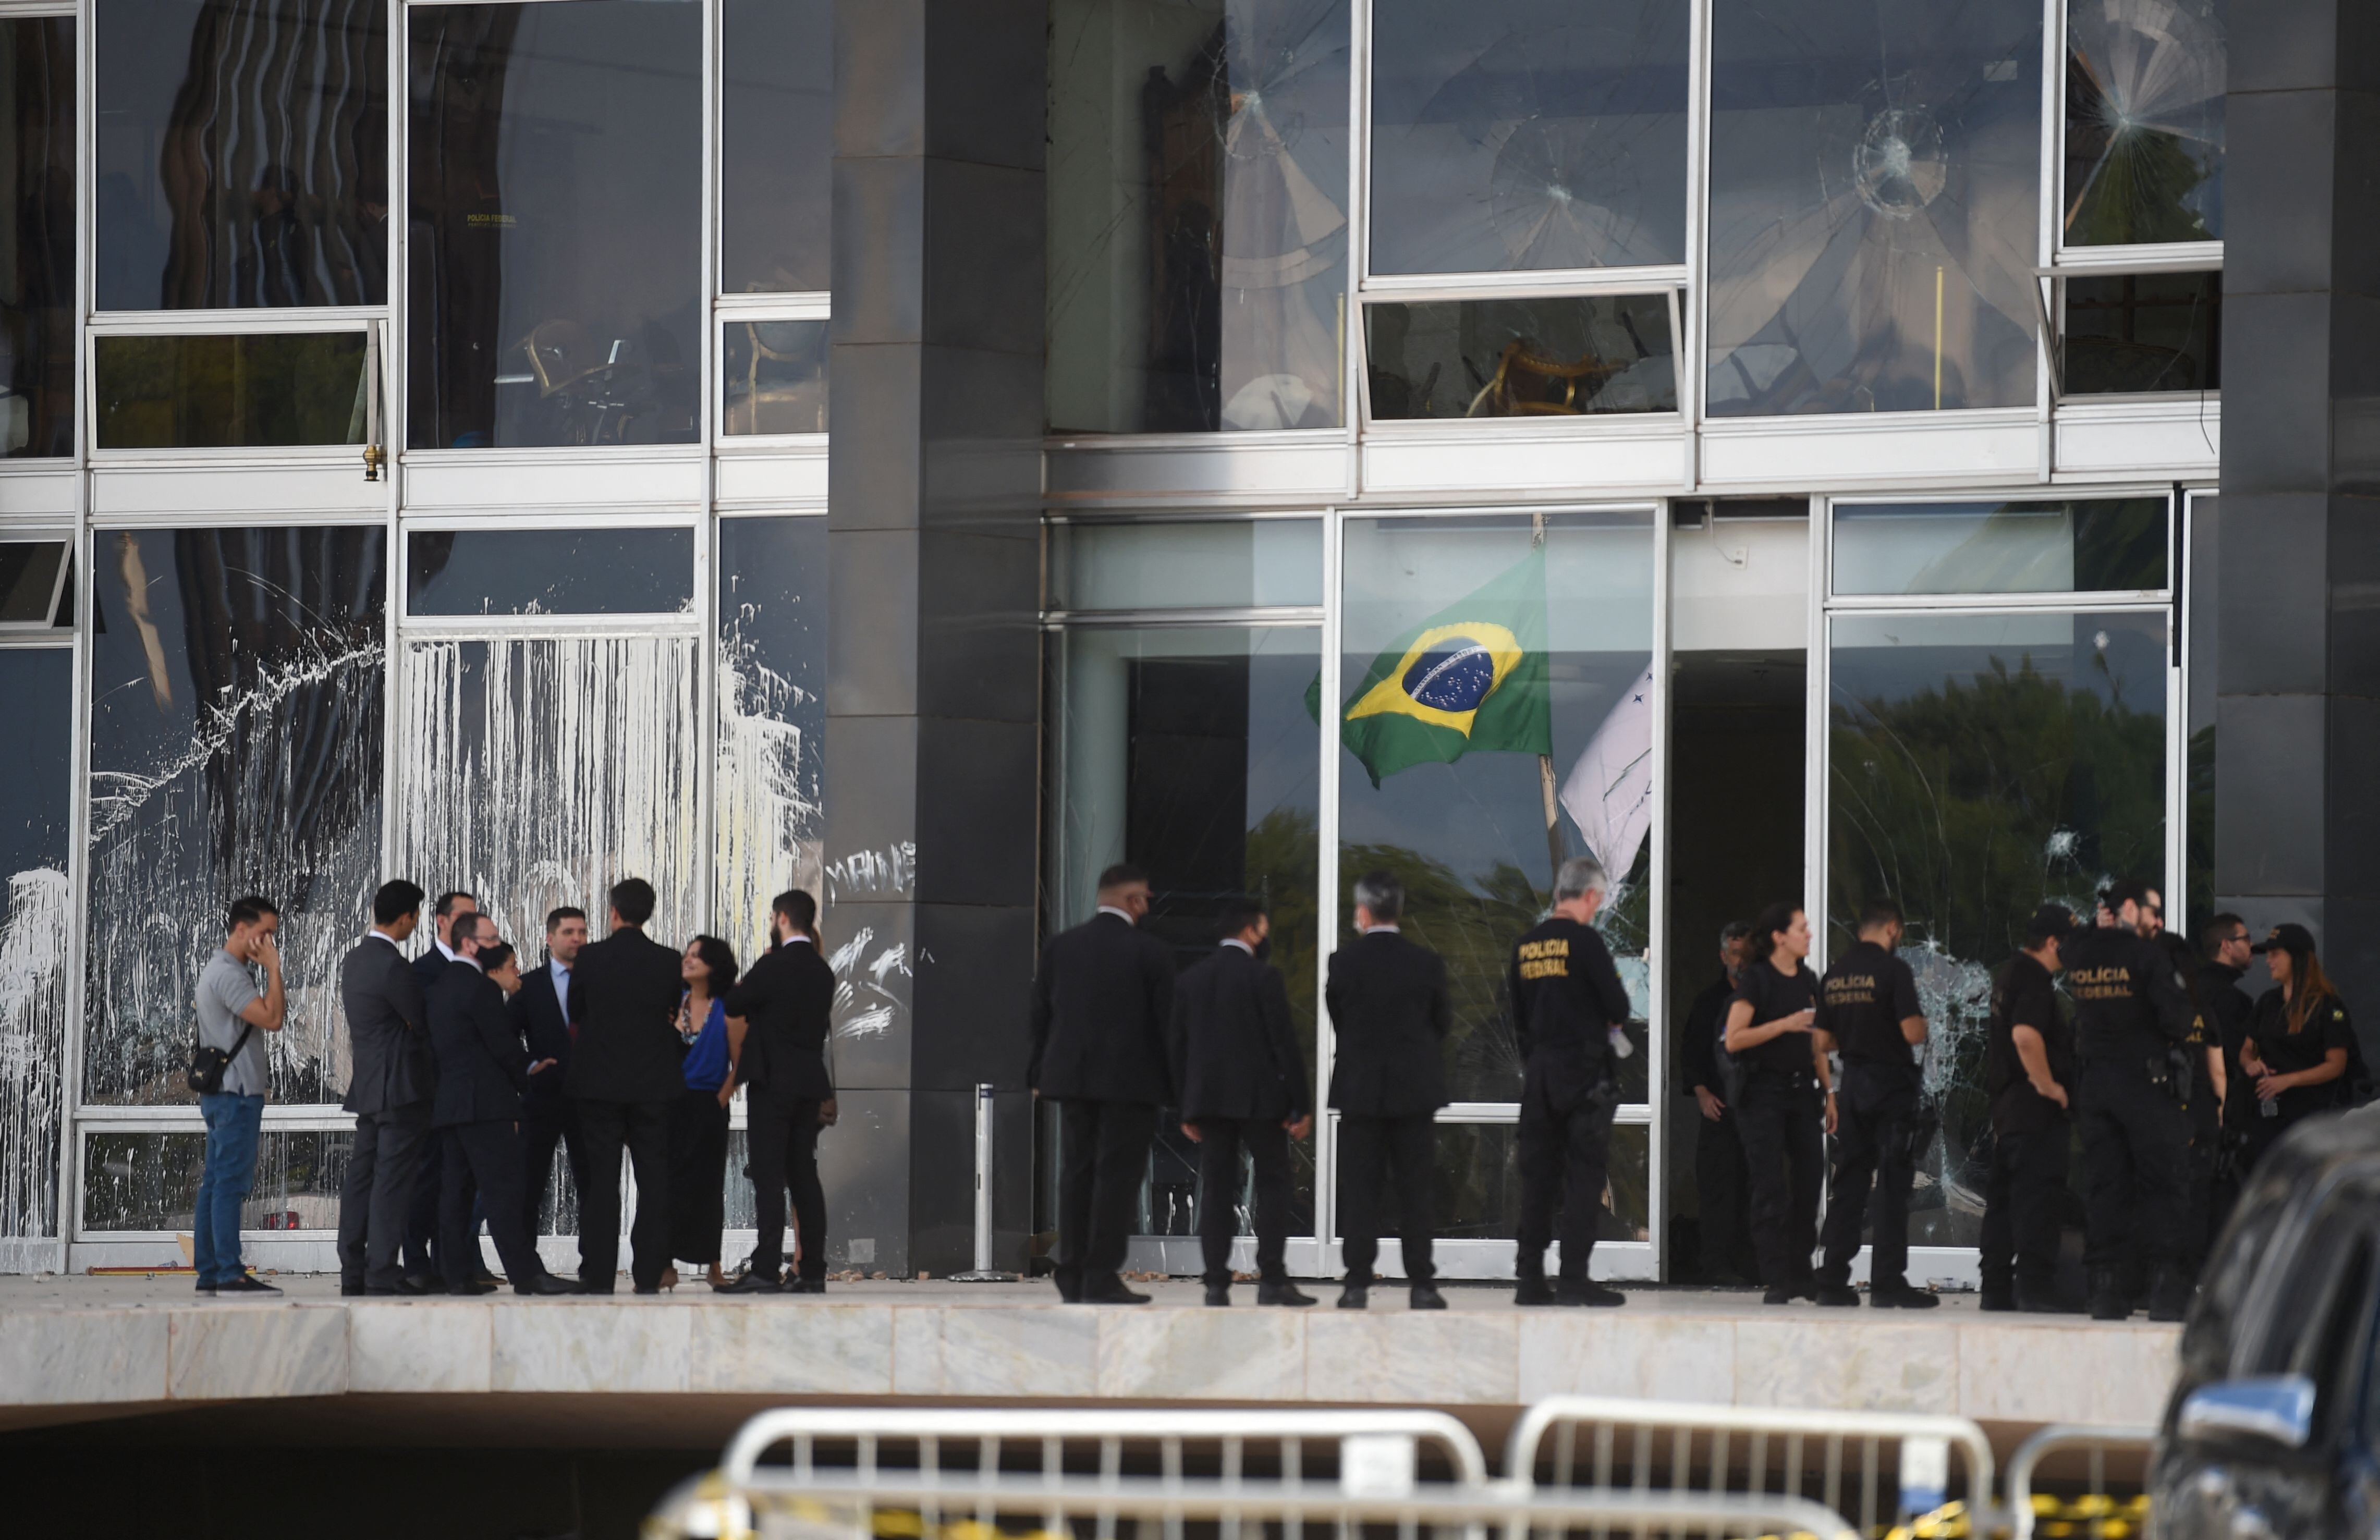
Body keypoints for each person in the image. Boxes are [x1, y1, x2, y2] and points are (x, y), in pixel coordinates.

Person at [1028, 863, 1177, 1305]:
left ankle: (1071, 1269)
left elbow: (1040, 1016)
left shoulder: (1061, 947)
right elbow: (1169, 1026)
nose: (1148, 906)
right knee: (1117, 1177)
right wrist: (1179, 1089)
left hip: (1071, 1080)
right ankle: (1100, 1273)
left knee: (1077, 1173)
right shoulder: (1150, 953)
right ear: (1133, 900)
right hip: (1131, 1084)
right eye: (1147, 898)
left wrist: (1037, 1074)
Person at [1170, 896, 1313, 1309]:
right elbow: (1283, 1045)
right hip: (1260, 1101)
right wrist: (1299, 1105)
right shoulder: (1263, 978)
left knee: (1216, 1186)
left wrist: (1185, 1106)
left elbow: (1177, 1048)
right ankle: (1271, 1277)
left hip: (1210, 1103)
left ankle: (1216, 1282)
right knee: (1274, 1183)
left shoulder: (1191, 979)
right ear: (1251, 930)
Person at [2065, 877, 2196, 1321]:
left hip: (2095, 1087)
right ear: (2128, 908)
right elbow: (2178, 1021)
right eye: (2151, 909)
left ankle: (2105, 1292)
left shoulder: (2083, 955)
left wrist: (2093, 927)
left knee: (2106, 1188)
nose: (2156, 919)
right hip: (2144, 1085)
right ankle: (2165, 1291)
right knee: (2163, 1185)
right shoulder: (2147, 957)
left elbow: (2070, 948)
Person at [1506, 856, 1632, 1308]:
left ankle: (1529, 1277)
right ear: (1592, 896)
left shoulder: (1526, 945)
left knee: (1538, 1176)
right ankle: (1574, 1278)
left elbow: (1517, 1018)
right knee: (1583, 1175)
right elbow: (1618, 1005)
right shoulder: (1586, 942)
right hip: (1583, 1075)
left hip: (1540, 1075)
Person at [1324, 870, 1451, 1311]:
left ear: (1362, 911)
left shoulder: (1342, 963)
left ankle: (1356, 1283)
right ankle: (1422, 1284)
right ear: (1398, 909)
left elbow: (1338, 1018)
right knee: (1416, 1190)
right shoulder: (1426, 963)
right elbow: (1442, 1024)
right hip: (1414, 1092)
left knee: (1361, 1190)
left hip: (1360, 1091)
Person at [427, 928, 573, 1295]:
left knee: (455, 1194)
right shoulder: (481, 988)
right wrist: (528, 1071)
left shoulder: (443, 984)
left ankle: (454, 1276)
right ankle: (527, 1275)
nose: (498, 944)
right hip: (485, 1105)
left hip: (452, 1104)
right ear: (472, 945)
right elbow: (502, 1044)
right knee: (504, 1192)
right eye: (491, 939)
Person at [1811, 899, 1936, 1310]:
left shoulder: (1835, 975)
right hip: (1889, 1086)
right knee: (1892, 1185)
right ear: (1893, 929)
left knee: (1849, 1184)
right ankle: (1887, 1282)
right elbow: (1912, 1032)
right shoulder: (1892, 970)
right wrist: (1919, 1024)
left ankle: (1831, 1279)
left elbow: (1822, 1042)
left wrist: (1855, 1034)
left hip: (1852, 1088)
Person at [566, 878, 688, 1293]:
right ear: (648, 913)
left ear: (613, 912)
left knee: (601, 1181)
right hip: (655, 1084)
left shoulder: (590, 958)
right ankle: (649, 1273)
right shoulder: (669, 960)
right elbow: (673, 1011)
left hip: (599, 1083)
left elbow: (577, 1010)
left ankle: (599, 1276)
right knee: (654, 1180)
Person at [721, 890, 837, 1293]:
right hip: (809, 1082)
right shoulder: (823, 971)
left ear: (782, 918)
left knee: (769, 1177)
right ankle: (813, 1271)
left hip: (773, 1082)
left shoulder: (773, 967)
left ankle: (766, 1269)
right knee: (804, 1175)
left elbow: (734, 1003)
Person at [1723, 903, 1828, 1306]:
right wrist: (1784, 1025)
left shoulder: (1808, 980)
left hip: (1803, 1093)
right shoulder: (1758, 980)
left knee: (1809, 1179)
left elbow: (1816, 1040)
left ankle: (1802, 1271)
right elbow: (1734, 1039)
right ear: (1779, 937)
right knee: (1769, 1186)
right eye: (1802, 928)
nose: (1809, 934)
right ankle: (1776, 1276)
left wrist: (1829, 1092)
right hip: (1762, 1094)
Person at [336, 879, 435, 1296]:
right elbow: (420, 1022)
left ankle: (353, 1271)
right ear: (407, 917)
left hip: (368, 1087)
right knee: (391, 1184)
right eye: (416, 917)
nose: (415, 924)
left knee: (361, 1179)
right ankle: (381, 1271)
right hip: (399, 1090)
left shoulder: (354, 960)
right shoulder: (395, 966)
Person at [1980, 905, 2078, 1313]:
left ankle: (1996, 1288)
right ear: (2054, 943)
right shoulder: (2035, 979)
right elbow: (2024, 1036)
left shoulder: (2009, 973)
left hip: (2007, 1110)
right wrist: (2048, 1085)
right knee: (2037, 1199)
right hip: (2032, 1109)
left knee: (2003, 1201)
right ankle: (2036, 1288)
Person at [193, 896, 287, 1298]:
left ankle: (211, 1271)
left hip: (225, 1094)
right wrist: (274, 969)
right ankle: (229, 1272)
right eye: (264, 933)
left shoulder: (219, 969)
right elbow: (272, 1018)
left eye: (273, 936)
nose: (269, 942)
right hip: (236, 1095)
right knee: (229, 1184)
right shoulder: (230, 975)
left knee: (215, 1184)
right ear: (241, 930)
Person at [407, 889, 480, 1287]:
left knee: (460, 1185)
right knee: (426, 1182)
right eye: (463, 917)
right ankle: (417, 1264)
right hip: (434, 1095)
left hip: (470, 1097)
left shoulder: (480, 969)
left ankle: (455, 1263)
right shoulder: (423, 971)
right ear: (440, 921)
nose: (470, 926)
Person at [2241, 923, 2356, 1167]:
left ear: (2297, 958)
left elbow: (2336, 1065)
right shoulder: (2268, 1002)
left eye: (2275, 954)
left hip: (2310, 1117)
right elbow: (2247, 1049)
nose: (2268, 961)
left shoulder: (2327, 1006)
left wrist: (2288, 1080)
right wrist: (2250, 1064)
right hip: (2267, 1118)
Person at [1680, 922, 1754, 1284]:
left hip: (1758, 1112)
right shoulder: (1708, 1002)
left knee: (1756, 1190)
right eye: (1735, 953)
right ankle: (1717, 1268)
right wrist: (1701, 1094)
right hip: (1720, 1111)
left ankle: (1752, 1266)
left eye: (1748, 953)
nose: (1742, 961)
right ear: (1724, 956)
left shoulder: (1766, 999)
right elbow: (1690, 1056)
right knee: (1718, 1191)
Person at [510, 907, 590, 1243]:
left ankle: (594, 1267)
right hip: (542, 1098)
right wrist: (529, 1066)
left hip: (590, 1098)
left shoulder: (599, 980)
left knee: (594, 1185)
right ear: (550, 938)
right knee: (530, 1184)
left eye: (582, 933)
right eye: (569, 932)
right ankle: (526, 1265)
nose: (577, 939)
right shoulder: (528, 985)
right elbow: (504, 1036)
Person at [668, 935, 739, 1289]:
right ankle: (663, 1263)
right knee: (665, 1184)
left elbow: (740, 1065)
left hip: (707, 1106)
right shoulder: (671, 1005)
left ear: (715, 964)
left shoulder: (728, 1009)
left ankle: (713, 1266)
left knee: (707, 1187)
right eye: (688, 954)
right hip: (668, 1106)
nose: (688, 960)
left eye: (698, 955)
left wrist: (719, 1103)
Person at [2199, 912, 2257, 1236]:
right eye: (2246, 940)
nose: (2253, 947)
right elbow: (2231, 1061)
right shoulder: (2232, 1001)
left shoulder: (2191, 991)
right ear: (2226, 946)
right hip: (2225, 1112)